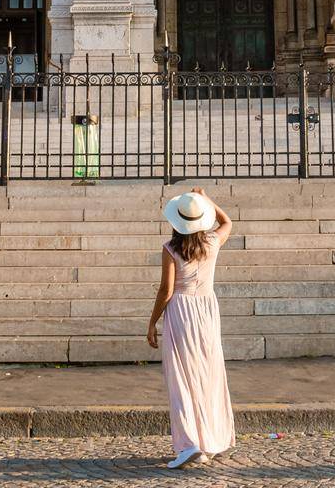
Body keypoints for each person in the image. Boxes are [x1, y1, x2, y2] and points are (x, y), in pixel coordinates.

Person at [147, 187, 235, 469]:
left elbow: (166, 290)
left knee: (182, 379)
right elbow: (228, 223)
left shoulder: (171, 249)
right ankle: (210, 440)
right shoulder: (211, 243)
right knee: (208, 375)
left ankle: (189, 444)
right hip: (207, 310)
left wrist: (152, 322)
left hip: (181, 311)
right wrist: (207, 199)